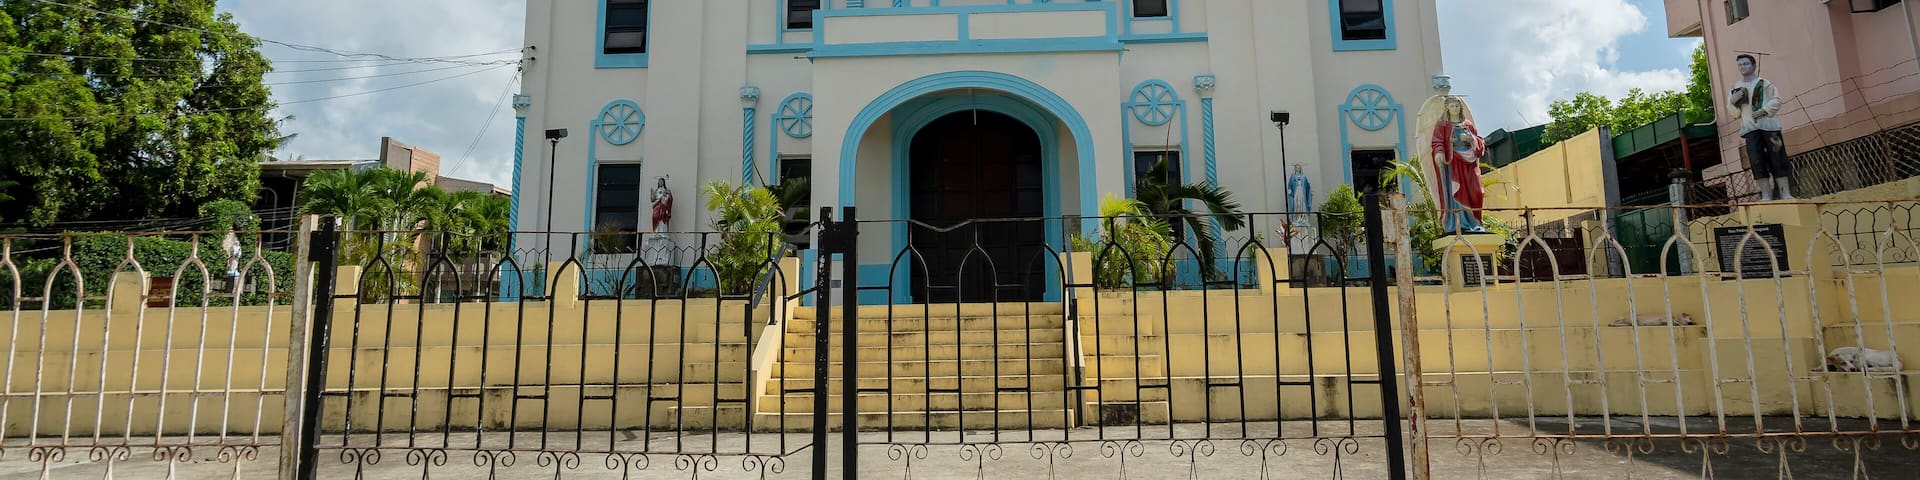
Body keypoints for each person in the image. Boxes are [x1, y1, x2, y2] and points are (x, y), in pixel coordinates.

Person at [1729, 53, 1792, 200]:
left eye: (1745, 64)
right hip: (1750, 129)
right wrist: (1732, 102)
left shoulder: (1764, 83)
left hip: (1769, 127)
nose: (1742, 67)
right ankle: (1766, 193)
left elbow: (1777, 100)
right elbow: (1735, 113)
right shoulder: (1736, 87)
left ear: (1754, 65)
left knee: (1778, 158)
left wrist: (1764, 110)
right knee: (1756, 161)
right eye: (1740, 65)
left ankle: (1785, 192)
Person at [1428, 96, 1486, 232]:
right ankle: (1459, 223)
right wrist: (1440, 152)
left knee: (1476, 191)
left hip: (1469, 163)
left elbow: (1480, 142)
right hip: (1453, 163)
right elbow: (1437, 142)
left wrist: (1470, 139)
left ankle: (1475, 223)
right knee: (1457, 191)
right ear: (1447, 108)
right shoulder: (1442, 125)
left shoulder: (1468, 124)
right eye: (1452, 106)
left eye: (1457, 106)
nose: (1455, 108)